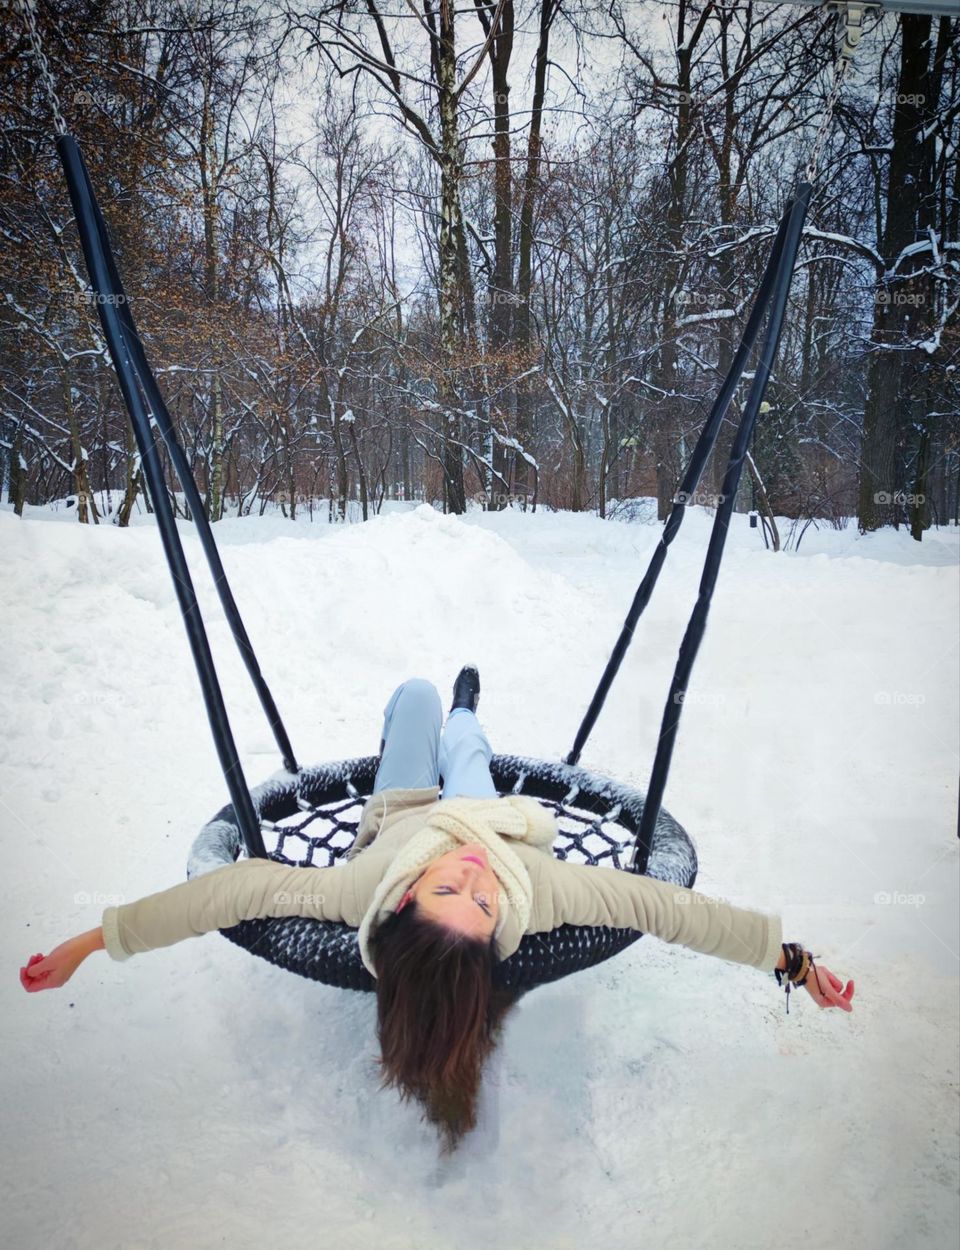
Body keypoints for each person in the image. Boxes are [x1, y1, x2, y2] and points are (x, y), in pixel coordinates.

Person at [21, 667, 855, 1151]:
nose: (469, 878)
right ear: (502, 927)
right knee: (466, 745)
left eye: (447, 892)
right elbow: (667, 908)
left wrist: (98, 939)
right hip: (491, 813)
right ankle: (465, 716)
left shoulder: (358, 893)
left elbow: (231, 890)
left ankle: (423, 718)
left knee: (411, 699)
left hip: (400, 810)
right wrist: (790, 958)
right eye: (480, 900)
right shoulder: (544, 892)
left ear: (404, 902)